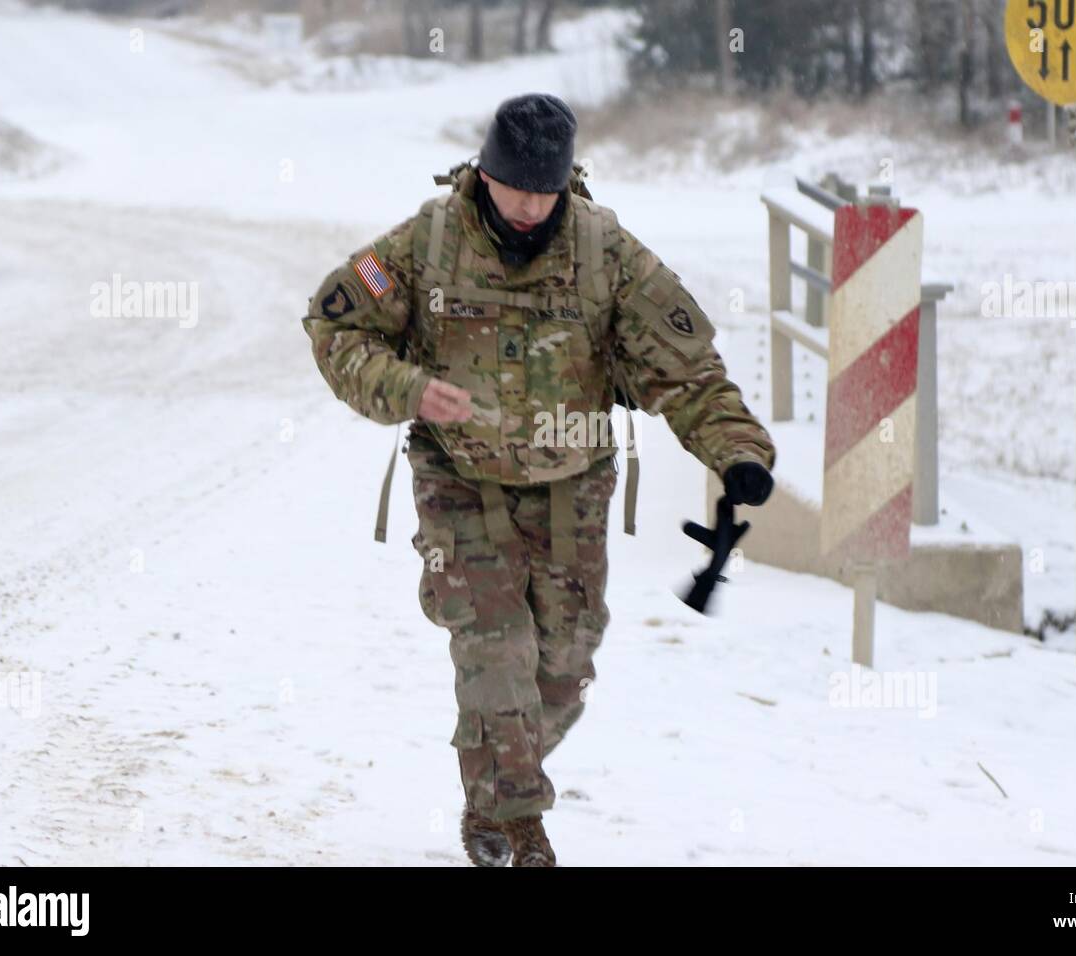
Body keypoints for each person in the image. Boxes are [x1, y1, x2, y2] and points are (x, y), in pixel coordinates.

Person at [302, 92, 775, 866]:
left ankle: (493, 785)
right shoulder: (426, 241)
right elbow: (334, 327)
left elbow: (684, 370)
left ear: (565, 182)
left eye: (542, 192)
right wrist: (409, 390)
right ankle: (514, 828)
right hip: (459, 477)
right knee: (494, 646)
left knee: (564, 666)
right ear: (483, 173)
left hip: (572, 487)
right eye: (511, 187)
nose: (526, 207)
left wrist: (738, 452)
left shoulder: (604, 251)